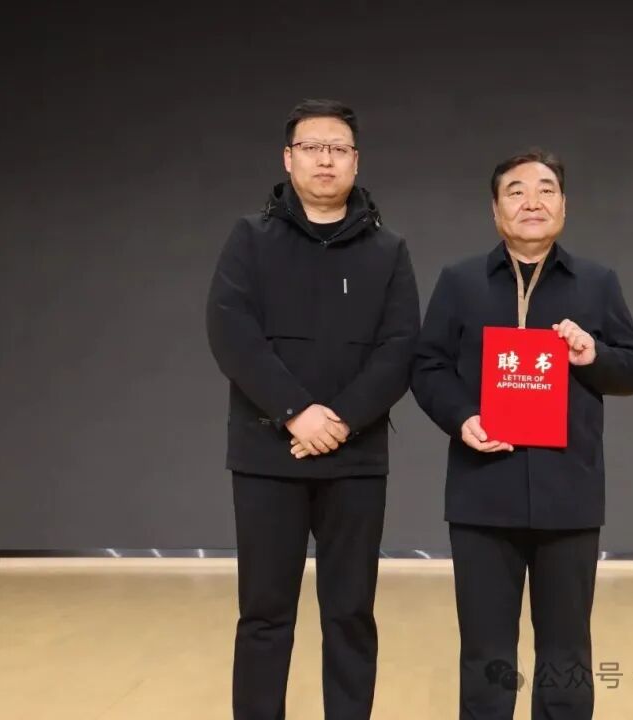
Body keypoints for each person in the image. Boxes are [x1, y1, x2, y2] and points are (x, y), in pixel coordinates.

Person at [411, 149, 633, 720]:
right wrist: (462, 417)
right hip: (482, 493)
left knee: (566, 655)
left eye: (546, 189)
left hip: (569, 495)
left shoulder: (597, 283)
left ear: (565, 205)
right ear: (495, 210)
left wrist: (592, 354)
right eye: (516, 191)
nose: (532, 201)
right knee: (485, 657)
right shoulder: (460, 282)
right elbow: (427, 365)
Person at [206, 98, 420, 720]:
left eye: (338, 149)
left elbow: (401, 346)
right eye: (312, 147)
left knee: (350, 613)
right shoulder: (250, 239)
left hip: (355, 458)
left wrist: (342, 420)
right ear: (288, 158)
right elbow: (231, 332)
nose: (325, 159)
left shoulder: (389, 249)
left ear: (356, 161)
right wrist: (297, 412)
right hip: (266, 452)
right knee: (264, 613)